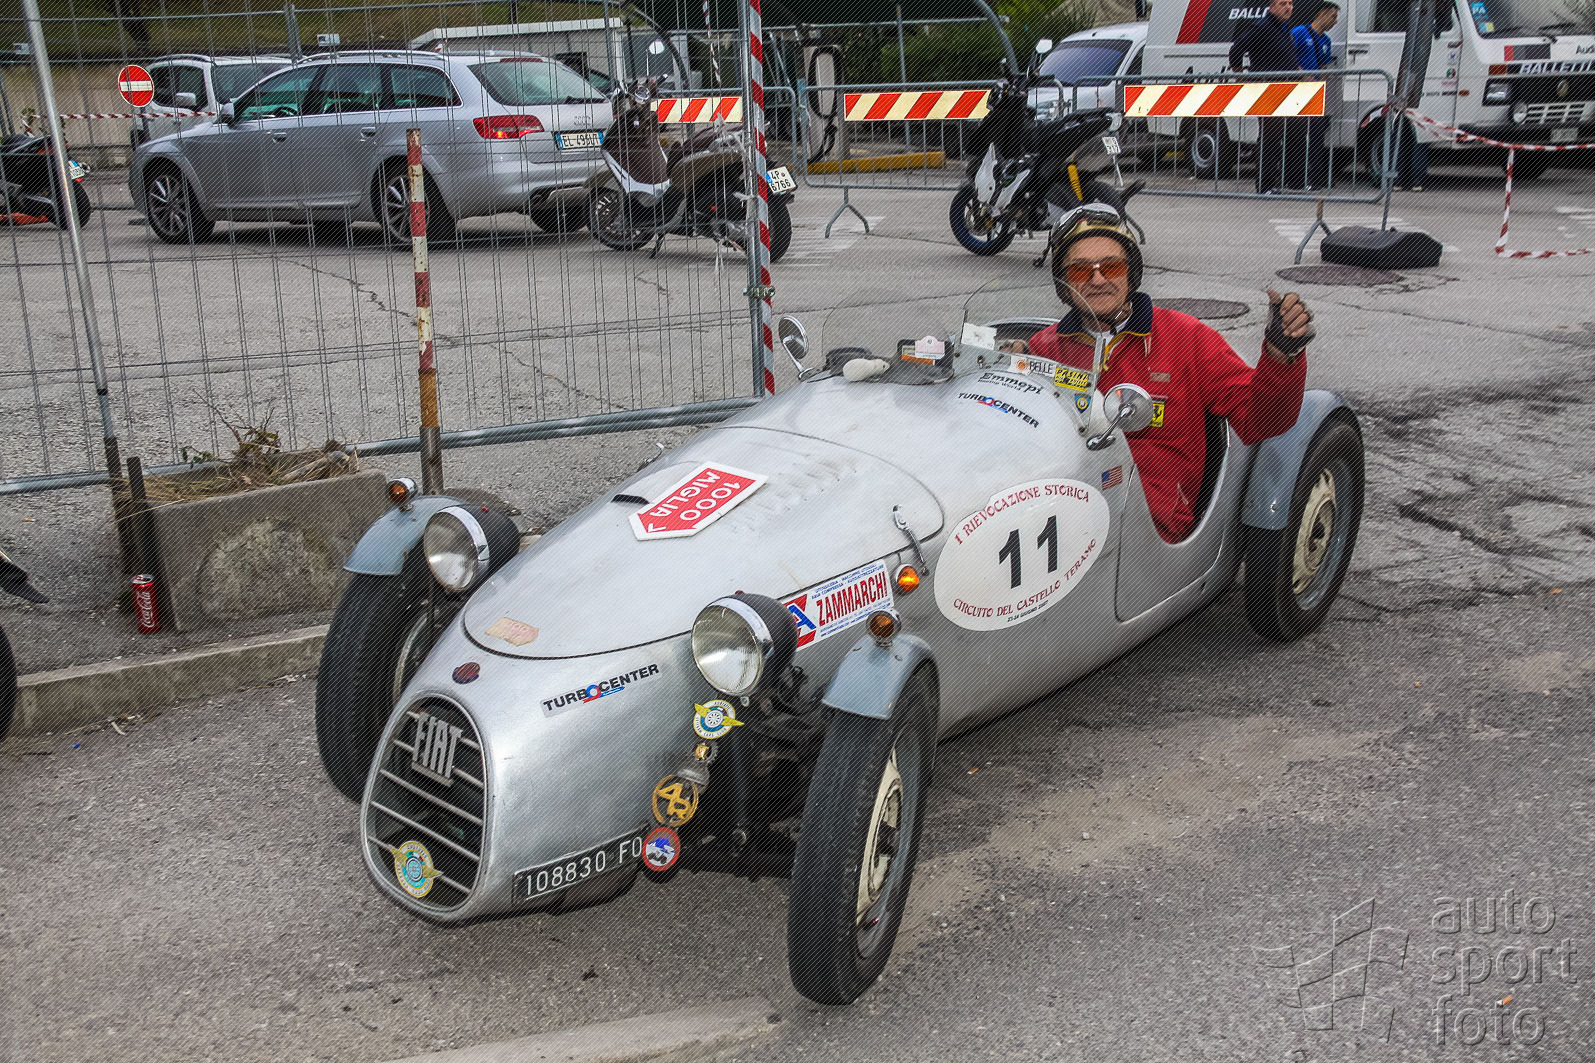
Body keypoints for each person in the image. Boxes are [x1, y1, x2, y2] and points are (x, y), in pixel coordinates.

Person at [1016, 205, 1312, 543]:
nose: (1097, 280)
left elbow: (1261, 421)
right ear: (1065, 284)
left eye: (1111, 267)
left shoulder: (1186, 337)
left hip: (1149, 526)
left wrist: (1280, 357)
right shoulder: (1044, 347)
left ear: (1131, 273)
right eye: (1081, 271)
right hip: (1060, 510)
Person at [1230, 0, 1304, 192]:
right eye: (1282, 3)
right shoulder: (1262, 27)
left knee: (1292, 134)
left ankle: (1292, 181)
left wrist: (1297, 70)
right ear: (1272, 7)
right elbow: (1236, 49)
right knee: (1270, 137)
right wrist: (1240, 76)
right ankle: (1265, 186)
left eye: (1290, 3)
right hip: (1268, 92)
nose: (1288, 7)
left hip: (1287, 91)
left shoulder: (1283, 28)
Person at [1291, 1, 1339, 188]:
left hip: (1316, 94)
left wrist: (1322, 84)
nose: (1335, 22)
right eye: (1333, 16)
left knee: (1317, 136)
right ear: (1322, 13)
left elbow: (1324, 67)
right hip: (1299, 92)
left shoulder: (1326, 41)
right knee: (1297, 137)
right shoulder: (1300, 32)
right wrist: (1303, 75)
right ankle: (1295, 178)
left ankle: (1316, 177)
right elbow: (1289, 57)